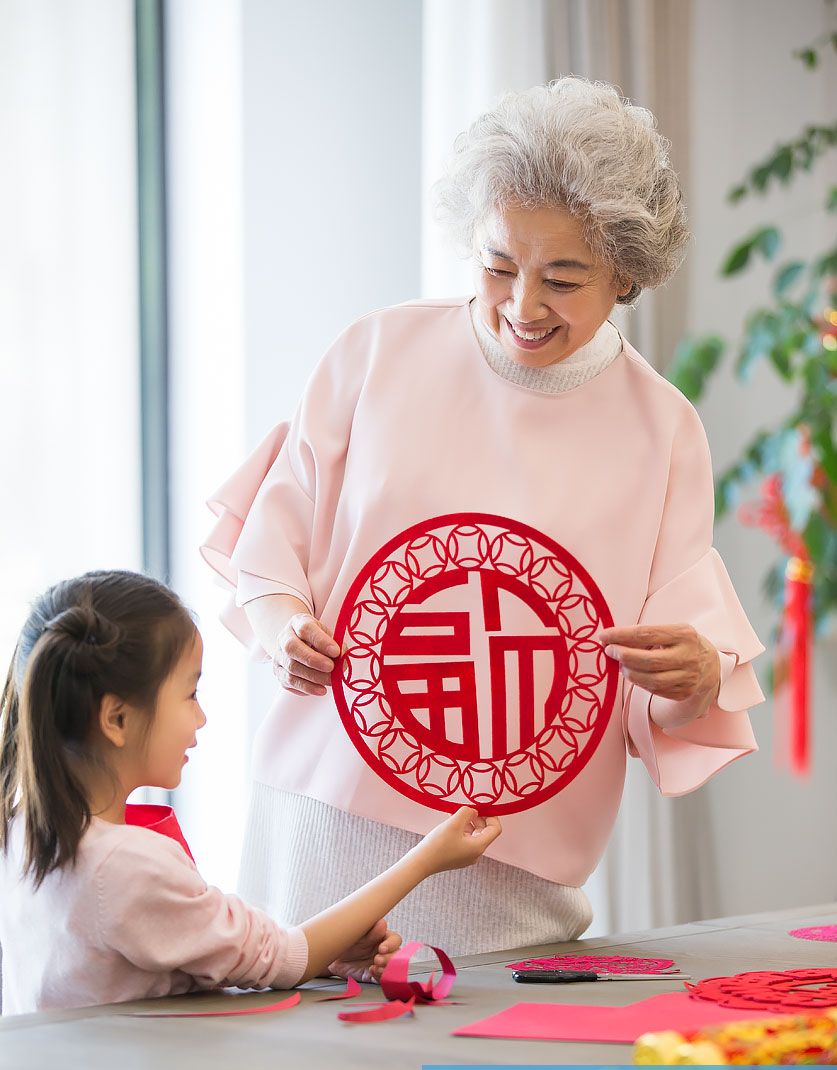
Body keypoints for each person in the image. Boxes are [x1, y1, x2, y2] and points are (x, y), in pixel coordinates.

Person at [202, 76, 764, 957]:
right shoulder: (375, 354)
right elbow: (274, 546)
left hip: (505, 867)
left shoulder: (662, 429)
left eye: (564, 278)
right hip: (320, 825)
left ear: (625, 270)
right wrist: (282, 626)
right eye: (498, 265)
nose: (523, 305)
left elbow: (672, 673)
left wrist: (694, 678)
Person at [0, 571, 500, 1015]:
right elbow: (283, 959)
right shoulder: (122, 863)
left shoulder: (22, 834)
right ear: (117, 718)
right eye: (191, 694)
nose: (201, 717)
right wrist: (428, 858)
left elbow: (231, 956)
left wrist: (328, 951)